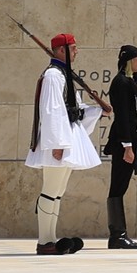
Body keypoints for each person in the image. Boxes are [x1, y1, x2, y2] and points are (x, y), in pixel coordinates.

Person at [25, 34, 104, 255]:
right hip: (56, 141)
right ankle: (44, 241)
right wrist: (57, 144)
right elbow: (51, 111)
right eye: (73, 48)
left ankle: (51, 238)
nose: (77, 52)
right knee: (50, 190)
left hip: (65, 138)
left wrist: (98, 110)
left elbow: (74, 109)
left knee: (58, 191)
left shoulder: (63, 74)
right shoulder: (53, 75)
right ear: (61, 50)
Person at [104, 44, 137, 249]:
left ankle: (119, 235)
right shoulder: (121, 82)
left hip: (130, 141)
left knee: (121, 185)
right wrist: (128, 147)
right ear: (129, 61)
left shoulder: (128, 81)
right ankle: (117, 235)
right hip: (124, 142)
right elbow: (122, 117)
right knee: (118, 186)